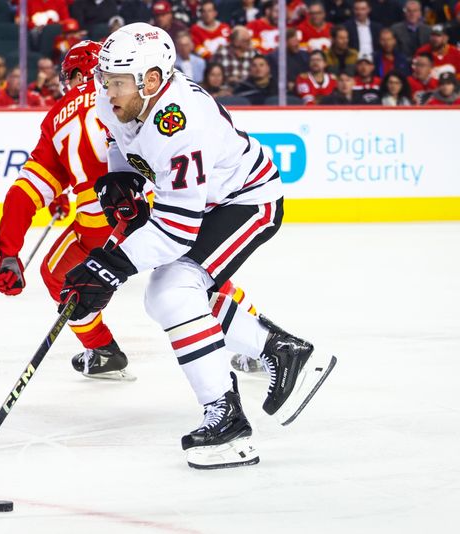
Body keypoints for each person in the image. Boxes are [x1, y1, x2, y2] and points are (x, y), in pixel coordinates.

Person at [60, 22, 336, 468]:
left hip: (246, 200)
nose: (107, 91)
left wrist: (108, 266)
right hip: (203, 202)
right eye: (104, 79)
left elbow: (176, 229)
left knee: (171, 292)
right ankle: (282, 351)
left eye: (118, 83)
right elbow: (119, 140)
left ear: (152, 79)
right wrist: (122, 178)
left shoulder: (179, 121)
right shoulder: (115, 94)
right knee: (175, 297)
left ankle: (229, 422)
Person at [0, 41, 137, 380]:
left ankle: (102, 349)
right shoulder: (132, 86)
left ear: (78, 74)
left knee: (57, 275)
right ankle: (257, 340)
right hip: (155, 210)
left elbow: (25, 192)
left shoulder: (57, 116)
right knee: (195, 274)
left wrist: (8, 250)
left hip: (101, 225)